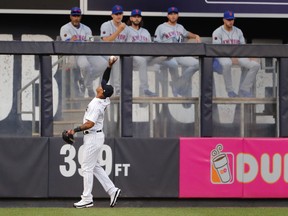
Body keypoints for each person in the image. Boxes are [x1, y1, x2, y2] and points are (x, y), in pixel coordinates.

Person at [66, 56, 121, 209]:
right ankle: (112, 190)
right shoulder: (103, 97)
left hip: (93, 135)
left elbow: (89, 123)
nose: (101, 85)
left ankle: (87, 198)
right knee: (94, 166)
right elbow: (105, 79)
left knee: (87, 167)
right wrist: (109, 66)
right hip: (95, 136)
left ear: (102, 92)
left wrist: (74, 130)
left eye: (102, 86)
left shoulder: (97, 104)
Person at [154, 7, 202, 98]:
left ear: (178, 15)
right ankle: (177, 85)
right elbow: (156, 43)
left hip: (179, 55)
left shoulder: (180, 27)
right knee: (174, 65)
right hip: (167, 56)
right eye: (171, 14)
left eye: (175, 14)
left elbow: (187, 34)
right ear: (167, 15)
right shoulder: (161, 27)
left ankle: (177, 84)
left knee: (197, 64)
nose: (173, 16)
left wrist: (196, 36)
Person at [60, 6, 108, 97]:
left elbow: (91, 41)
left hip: (87, 52)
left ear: (80, 16)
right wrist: (75, 41)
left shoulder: (86, 29)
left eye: (78, 16)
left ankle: (85, 81)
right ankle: (89, 88)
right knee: (85, 65)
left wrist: (76, 40)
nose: (76, 18)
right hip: (76, 54)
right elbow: (67, 43)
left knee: (104, 64)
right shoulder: (65, 28)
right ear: (70, 16)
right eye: (74, 16)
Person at [212, 10, 260, 97]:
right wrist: (231, 57)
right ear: (224, 20)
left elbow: (243, 47)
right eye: (228, 20)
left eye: (232, 19)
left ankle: (245, 89)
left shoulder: (238, 31)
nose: (230, 22)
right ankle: (230, 90)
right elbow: (217, 49)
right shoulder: (217, 32)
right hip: (223, 56)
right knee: (227, 63)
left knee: (255, 65)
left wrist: (249, 56)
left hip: (238, 56)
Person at [126, 9, 158, 97]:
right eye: (135, 17)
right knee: (142, 61)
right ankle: (145, 88)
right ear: (131, 18)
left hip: (145, 56)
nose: (137, 18)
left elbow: (150, 47)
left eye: (138, 17)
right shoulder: (126, 30)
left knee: (161, 57)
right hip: (132, 56)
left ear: (141, 18)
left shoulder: (145, 32)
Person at [100, 5, 130, 95]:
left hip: (120, 54)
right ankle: (117, 89)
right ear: (112, 15)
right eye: (116, 14)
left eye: (120, 13)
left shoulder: (127, 29)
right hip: (105, 53)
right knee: (115, 58)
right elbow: (106, 41)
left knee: (127, 59)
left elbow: (129, 45)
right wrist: (119, 30)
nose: (118, 16)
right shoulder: (106, 25)